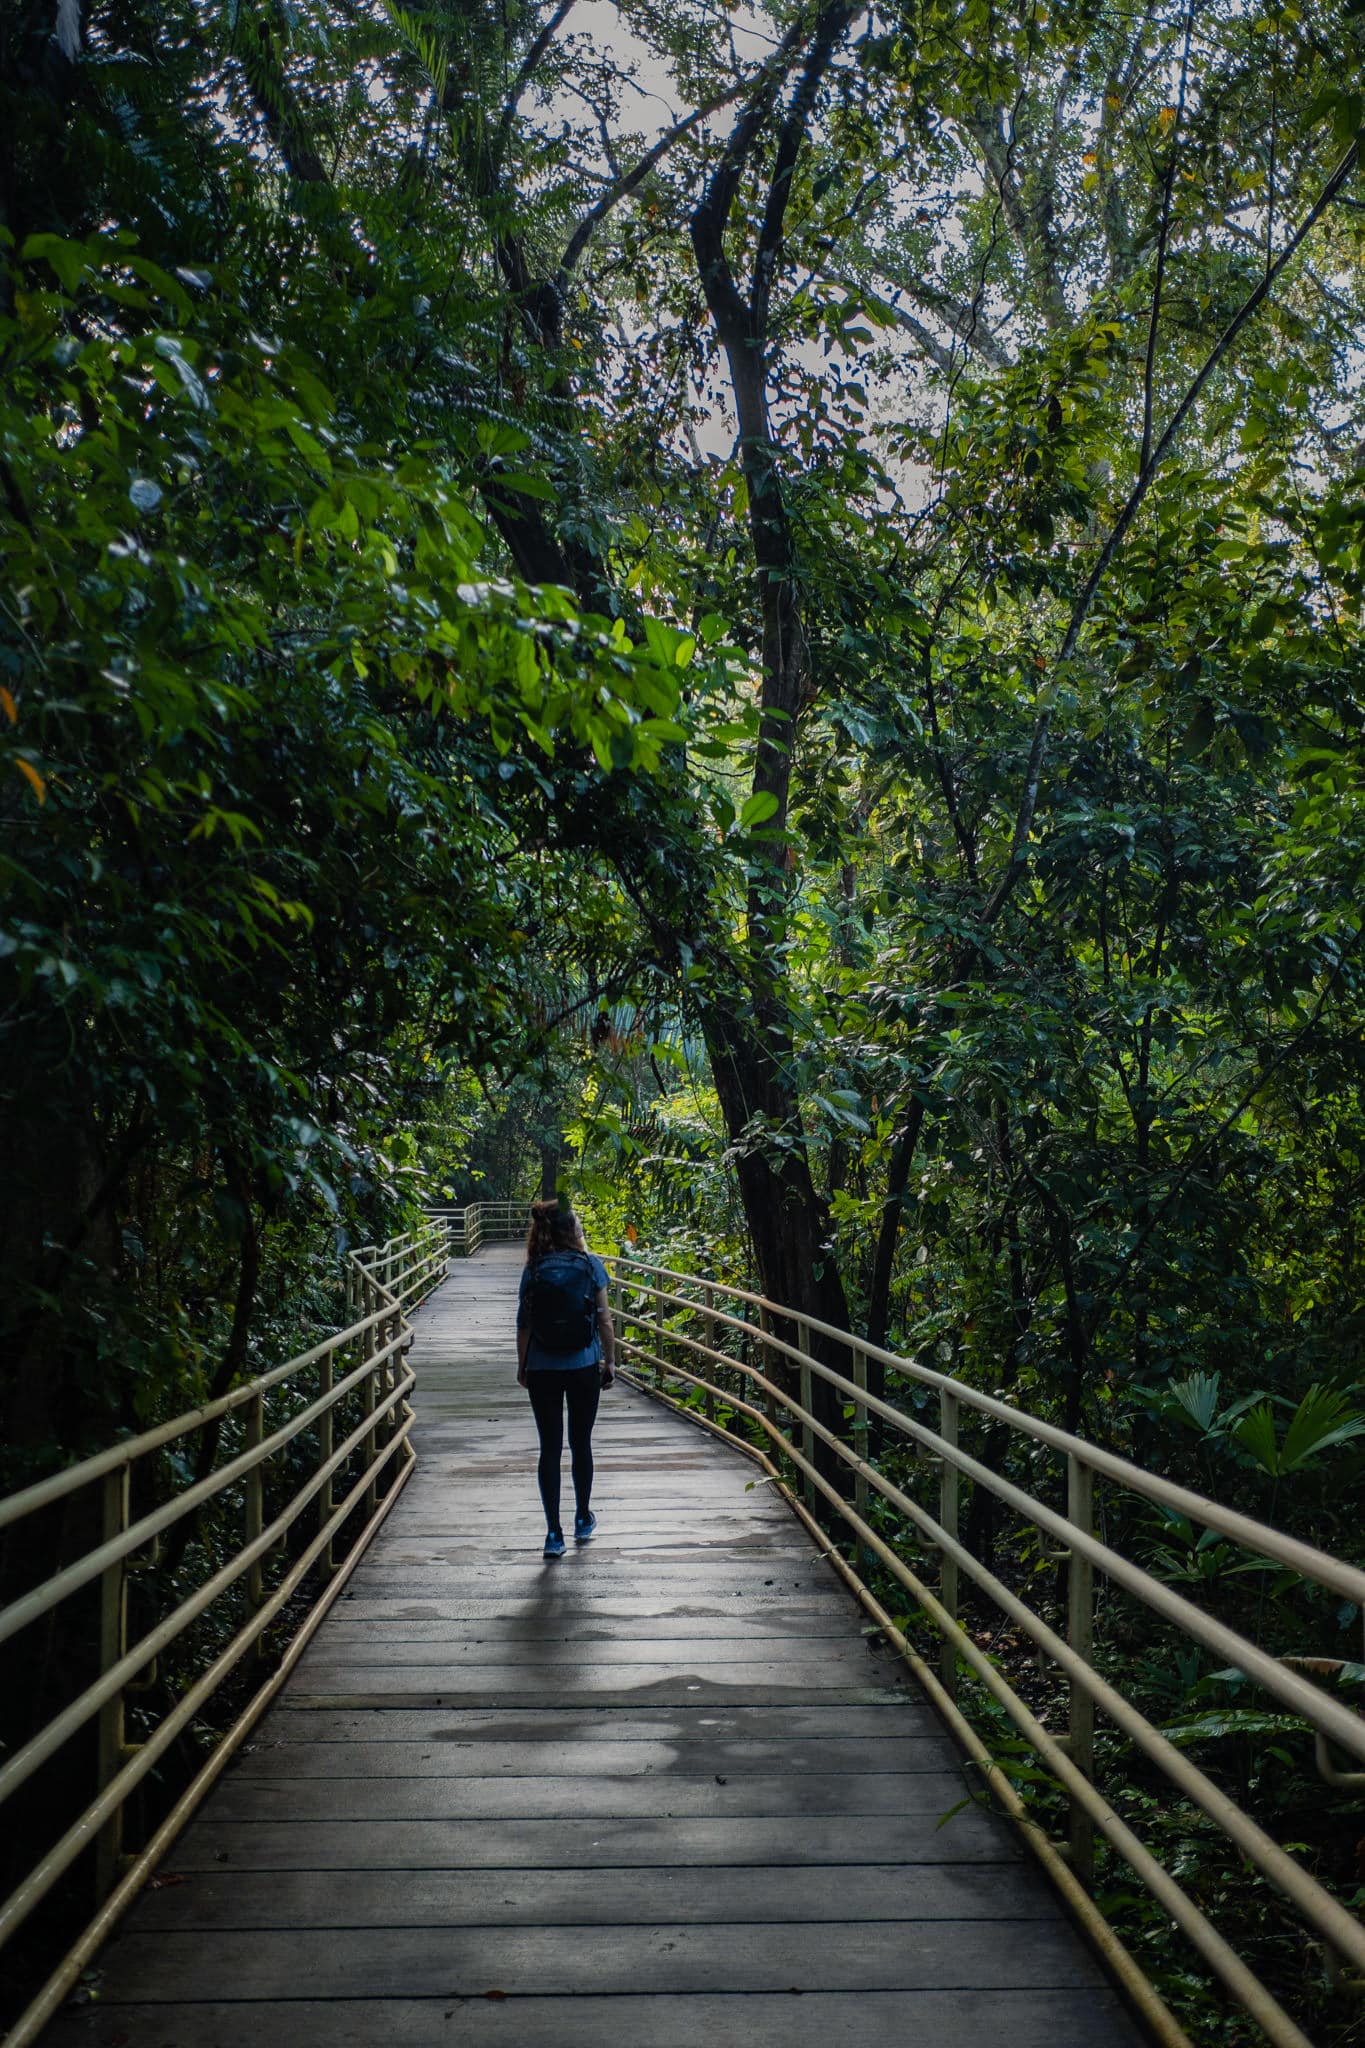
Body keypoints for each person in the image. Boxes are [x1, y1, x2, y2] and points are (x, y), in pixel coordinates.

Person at [517, 1199, 615, 1559]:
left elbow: (523, 1324)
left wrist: (522, 1365)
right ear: (572, 1231)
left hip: (542, 1366)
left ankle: (553, 1534)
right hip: (583, 1365)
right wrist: (610, 1361)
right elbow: (604, 1321)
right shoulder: (591, 1266)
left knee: (549, 1448)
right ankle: (582, 1518)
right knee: (581, 1443)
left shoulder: (534, 1269)